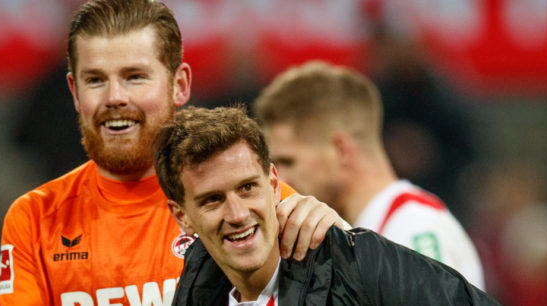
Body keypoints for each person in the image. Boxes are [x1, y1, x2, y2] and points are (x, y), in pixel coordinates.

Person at [0, 1, 343, 305]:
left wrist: (338, 237)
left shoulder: (254, 202)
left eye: (134, 77)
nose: (114, 97)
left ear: (180, 85)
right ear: (75, 91)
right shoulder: (35, 219)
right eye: (95, 80)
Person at [152, 105, 499, 305]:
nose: (238, 214)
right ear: (182, 216)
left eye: (247, 188)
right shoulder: (194, 295)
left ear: (274, 186)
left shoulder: (357, 263)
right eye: (212, 200)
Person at [253, 60, 485, 289]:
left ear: (341, 151)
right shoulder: (365, 236)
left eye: (288, 162)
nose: (279, 180)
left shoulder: (415, 228)